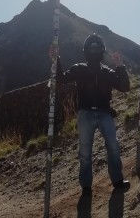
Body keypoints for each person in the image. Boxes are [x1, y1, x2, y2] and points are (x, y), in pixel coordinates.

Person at [55, 33, 131, 195]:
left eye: (97, 48)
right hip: (85, 113)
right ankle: (86, 187)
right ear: (86, 50)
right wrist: (56, 59)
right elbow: (60, 80)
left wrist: (120, 66)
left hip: (105, 113)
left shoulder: (108, 72)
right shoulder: (78, 68)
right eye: (91, 48)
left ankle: (117, 180)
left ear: (102, 50)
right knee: (85, 152)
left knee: (113, 146)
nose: (94, 51)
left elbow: (124, 87)